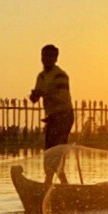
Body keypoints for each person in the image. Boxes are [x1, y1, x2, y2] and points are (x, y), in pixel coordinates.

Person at [29, 44, 73, 183]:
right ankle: (53, 184)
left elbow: (62, 98)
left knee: (57, 153)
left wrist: (45, 94)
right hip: (52, 117)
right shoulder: (41, 76)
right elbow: (36, 97)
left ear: (55, 58)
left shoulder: (60, 75)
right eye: (43, 56)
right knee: (49, 153)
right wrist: (34, 96)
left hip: (64, 116)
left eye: (49, 56)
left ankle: (52, 184)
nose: (45, 59)